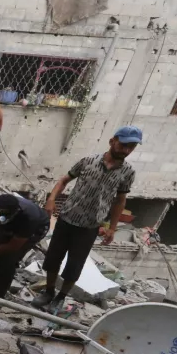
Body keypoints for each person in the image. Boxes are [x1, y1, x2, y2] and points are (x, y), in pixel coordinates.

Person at [32, 126, 142, 311]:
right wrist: (51, 200)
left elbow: (120, 201)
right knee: (53, 259)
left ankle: (61, 297)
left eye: (131, 147)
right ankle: (49, 291)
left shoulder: (127, 172)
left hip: (90, 226)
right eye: (124, 145)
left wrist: (112, 228)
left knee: (74, 266)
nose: (126, 150)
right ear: (112, 141)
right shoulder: (88, 161)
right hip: (67, 218)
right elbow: (63, 180)